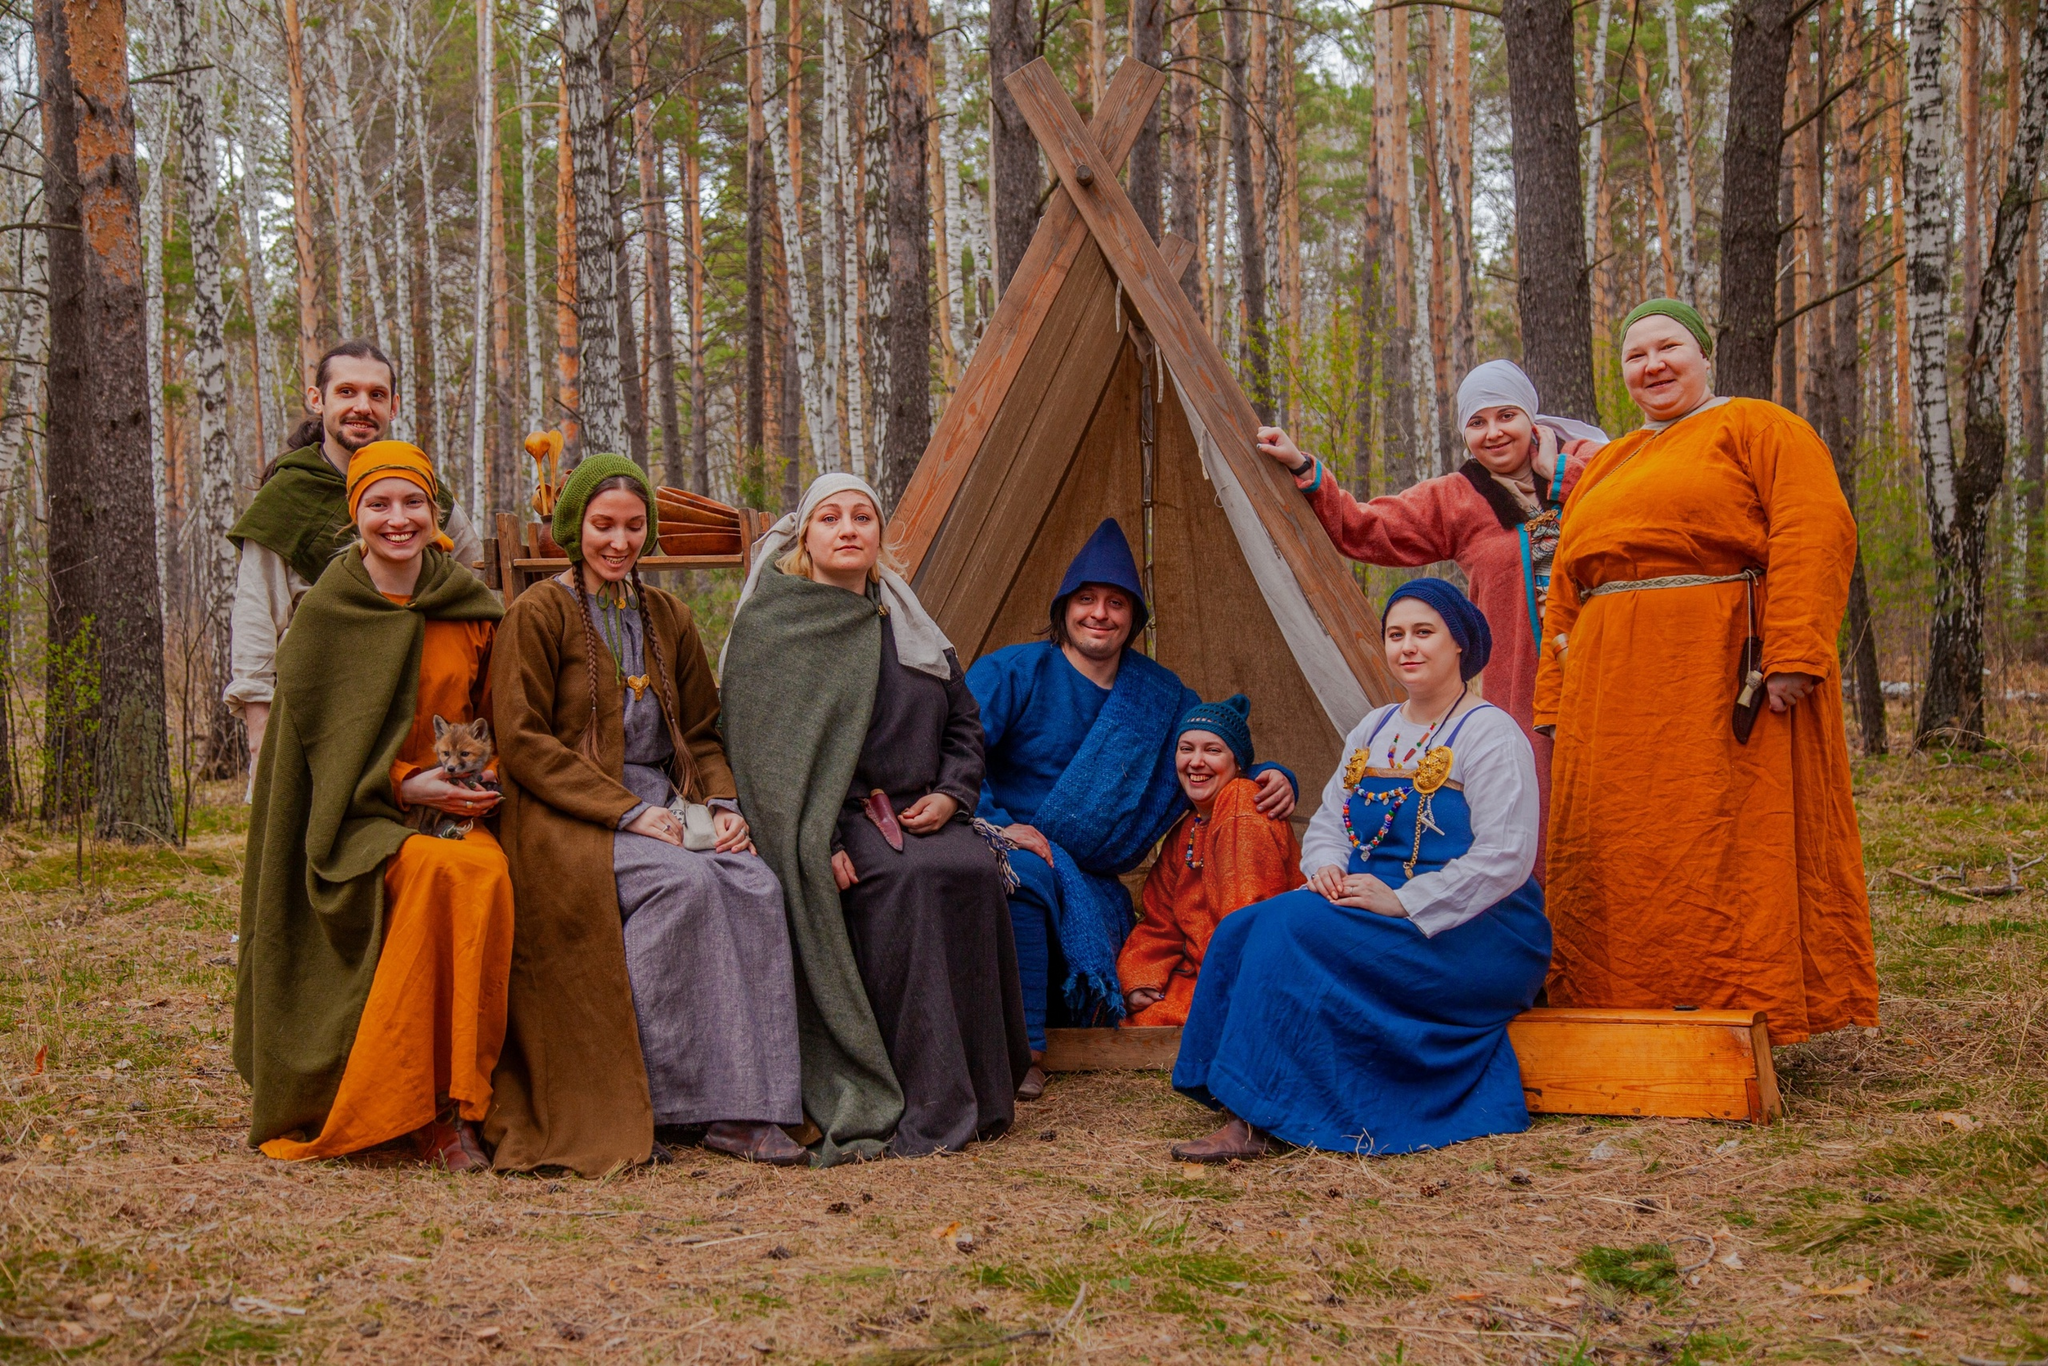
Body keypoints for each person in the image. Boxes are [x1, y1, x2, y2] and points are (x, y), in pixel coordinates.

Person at [1532, 298, 1878, 1043]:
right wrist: (1557, 698)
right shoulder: (1609, 462)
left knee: (1728, 841)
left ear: (1704, 356)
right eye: (1636, 355)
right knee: (1623, 849)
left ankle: (1742, 1015)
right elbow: (1564, 588)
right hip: (1611, 696)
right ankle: (1624, 1009)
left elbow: (1814, 527)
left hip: (1723, 675)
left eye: (1669, 348)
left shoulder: (1759, 426)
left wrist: (1793, 652)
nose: (1653, 365)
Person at [487, 454, 805, 1174]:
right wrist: (627, 813)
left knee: (754, 886)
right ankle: (660, 1099)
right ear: (576, 526)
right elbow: (523, 741)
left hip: (662, 800)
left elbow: (700, 732)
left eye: (634, 527)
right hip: (566, 813)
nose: (619, 541)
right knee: (680, 885)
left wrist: (721, 806)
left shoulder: (667, 616)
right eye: (604, 525)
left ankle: (748, 1105)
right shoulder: (537, 613)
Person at [1169, 579, 1549, 1161]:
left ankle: (1256, 1117)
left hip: (1476, 929)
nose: (1407, 647)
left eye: (1424, 633)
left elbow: (1506, 856)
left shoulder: (1490, 733)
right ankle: (1227, 1085)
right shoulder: (1373, 729)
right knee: (1244, 926)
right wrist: (1324, 867)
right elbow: (1330, 821)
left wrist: (1406, 901)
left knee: (1287, 930)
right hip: (1374, 902)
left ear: (1459, 644)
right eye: (1395, 635)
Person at [721, 473, 1030, 1163]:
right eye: (830, 517)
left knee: (972, 868)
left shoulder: (906, 621)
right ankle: (925, 1099)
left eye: (862, 517)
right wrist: (819, 839)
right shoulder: (776, 623)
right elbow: (762, 751)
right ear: (806, 537)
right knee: (908, 883)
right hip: (831, 819)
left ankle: (984, 1093)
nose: (848, 529)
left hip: (925, 811)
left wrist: (952, 796)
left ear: (879, 535)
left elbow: (964, 723)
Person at [233, 442, 513, 1171]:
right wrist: (403, 783)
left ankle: (461, 1102)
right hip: (354, 820)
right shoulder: (327, 614)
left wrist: (482, 779)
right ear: (354, 515)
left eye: (413, 502)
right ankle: (415, 1105)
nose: (398, 519)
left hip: (457, 809)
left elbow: (501, 716)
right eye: (379, 504)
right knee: (439, 873)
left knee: (481, 874)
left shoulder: (470, 607)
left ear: (434, 512)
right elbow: (310, 754)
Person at [966, 519, 1297, 1099]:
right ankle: (1025, 1053)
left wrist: (1277, 776)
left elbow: (1215, 747)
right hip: (1006, 842)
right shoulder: (1011, 671)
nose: (1100, 614)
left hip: (1090, 877)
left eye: (1116, 603)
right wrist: (999, 825)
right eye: (1086, 600)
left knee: (1081, 897)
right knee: (1026, 875)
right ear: (1064, 608)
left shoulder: (1158, 696)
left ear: (1134, 618)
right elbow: (956, 751)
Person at [1254, 362, 1606, 857]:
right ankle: (1538, 906)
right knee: (1537, 801)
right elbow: (1368, 527)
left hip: (1607, 657)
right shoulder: (1457, 499)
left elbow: (1634, 502)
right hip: (1523, 676)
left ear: (1531, 417)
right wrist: (1303, 469)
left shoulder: (1591, 460)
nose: (1493, 432)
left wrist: (1558, 475)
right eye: (1477, 423)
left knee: (1613, 789)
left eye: (1506, 416)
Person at [225, 340, 484, 771]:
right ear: (317, 399)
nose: (362, 406)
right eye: (347, 391)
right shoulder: (286, 497)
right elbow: (257, 614)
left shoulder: (423, 489)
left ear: (393, 406)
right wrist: (260, 732)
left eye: (376, 395)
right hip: (322, 704)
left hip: (422, 701)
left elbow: (473, 579)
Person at [1117, 695, 1303, 1028]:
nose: (1196, 761)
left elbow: (1249, 913)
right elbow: (1160, 921)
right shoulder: (1184, 832)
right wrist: (1139, 977)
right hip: (1203, 974)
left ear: (1238, 763)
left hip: (1252, 972)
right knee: (1138, 1017)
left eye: (1213, 750)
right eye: (1186, 749)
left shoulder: (1243, 802)